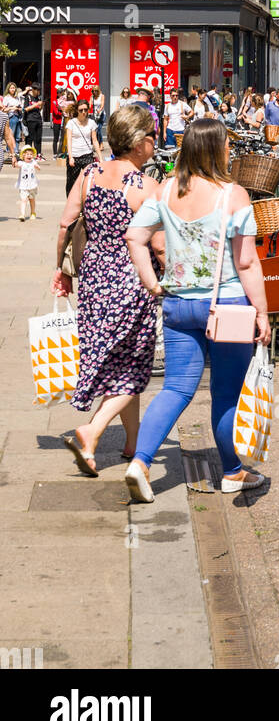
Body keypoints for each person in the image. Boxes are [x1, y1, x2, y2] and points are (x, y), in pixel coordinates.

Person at [124, 116, 271, 501]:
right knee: (226, 395)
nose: (229, 149)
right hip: (227, 307)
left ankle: (140, 463)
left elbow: (135, 237)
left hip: (177, 305)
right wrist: (263, 313)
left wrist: (152, 282)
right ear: (214, 149)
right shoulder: (233, 195)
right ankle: (233, 473)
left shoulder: (166, 190)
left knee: (174, 388)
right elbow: (246, 263)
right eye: (226, 144)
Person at [54, 104, 163, 476]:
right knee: (133, 368)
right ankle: (93, 430)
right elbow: (161, 247)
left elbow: (66, 225)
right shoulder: (146, 187)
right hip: (133, 282)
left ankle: (132, 442)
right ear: (137, 144)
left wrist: (62, 271)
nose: (155, 141)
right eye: (151, 136)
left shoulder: (88, 174)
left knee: (120, 364)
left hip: (94, 280)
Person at [65, 99, 103, 195]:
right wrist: (70, 157)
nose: (83, 112)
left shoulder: (91, 123)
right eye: (81, 110)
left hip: (87, 155)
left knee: (89, 181)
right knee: (71, 182)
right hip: (74, 155)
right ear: (77, 110)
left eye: (85, 110)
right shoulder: (71, 123)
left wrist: (101, 158)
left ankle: (87, 203)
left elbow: (94, 140)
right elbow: (69, 140)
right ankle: (71, 202)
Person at [15, 143, 40, 220]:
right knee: (23, 199)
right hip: (23, 186)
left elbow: (39, 168)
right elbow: (16, 165)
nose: (29, 156)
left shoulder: (33, 162)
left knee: (32, 199)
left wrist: (37, 167)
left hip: (32, 185)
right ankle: (22, 214)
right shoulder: (21, 163)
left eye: (31, 154)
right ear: (23, 156)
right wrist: (14, 160)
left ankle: (33, 212)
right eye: (27, 154)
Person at [22, 86, 44, 158]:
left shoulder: (38, 97)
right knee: (30, 138)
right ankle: (28, 154)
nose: (39, 93)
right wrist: (36, 104)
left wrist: (41, 106)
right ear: (34, 90)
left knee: (38, 138)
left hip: (38, 119)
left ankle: (38, 154)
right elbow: (26, 109)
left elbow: (39, 109)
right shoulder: (28, 97)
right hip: (30, 119)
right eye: (38, 91)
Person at [3, 82, 23, 147]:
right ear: (8, 89)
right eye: (11, 88)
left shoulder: (17, 97)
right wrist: (12, 108)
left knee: (17, 137)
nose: (13, 89)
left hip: (18, 117)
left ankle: (16, 151)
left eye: (14, 88)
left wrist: (19, 108)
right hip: (11, 117)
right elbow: (3, 109)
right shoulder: (6, 98)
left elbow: (20, 106)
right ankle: (10, 152)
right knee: (11, 136)